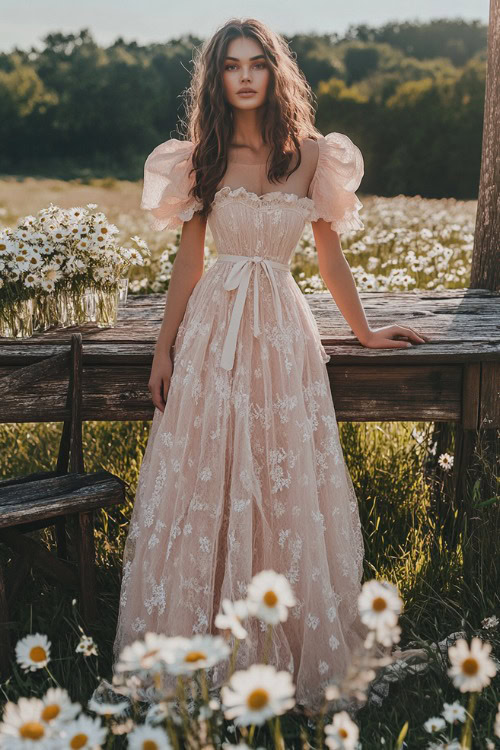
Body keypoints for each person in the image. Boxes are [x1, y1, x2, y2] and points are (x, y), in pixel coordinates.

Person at [111, 17, 428, 712]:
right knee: (209, 474)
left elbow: (330, 256)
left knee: (283, 476)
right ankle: (204, 654)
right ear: (218, 78)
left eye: (258, 63)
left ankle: (283, 652)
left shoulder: (313, 155)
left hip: (283, 333)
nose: (247, 74)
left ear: (275, 73)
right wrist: (163, 350)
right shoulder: (203, 155)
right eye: (233, 65)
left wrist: (367, 333)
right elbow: (190, 262)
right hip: (214, 332)